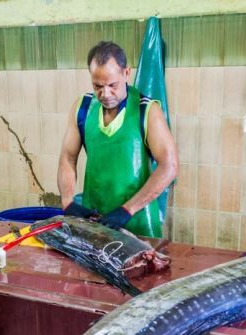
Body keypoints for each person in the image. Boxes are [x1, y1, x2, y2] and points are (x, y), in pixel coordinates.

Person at [57, 41, 178, 238]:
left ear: (126, 73)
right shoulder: (83, 108)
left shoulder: (146, 110)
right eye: (98, 86)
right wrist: (68, 202)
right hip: (94, 220)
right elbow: (68, 157)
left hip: (138, 223)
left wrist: (126, 210)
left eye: (113, 85)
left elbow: (169, 166)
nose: (105, 94)